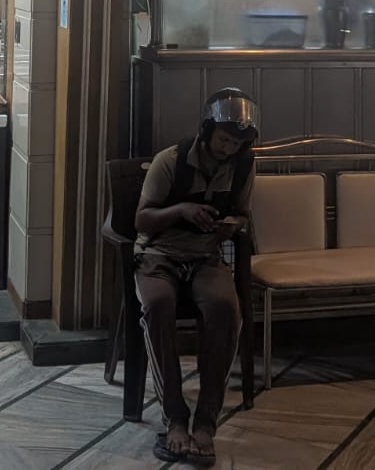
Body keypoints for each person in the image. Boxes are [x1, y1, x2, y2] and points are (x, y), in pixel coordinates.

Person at [134, 88, 260, 466]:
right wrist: (182, 211)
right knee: (158, 305)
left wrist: (229, 226)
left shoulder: (242, 165)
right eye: (223, 140)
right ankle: (175, 417)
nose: (228, 149)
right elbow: (142, 219)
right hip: (159, 254)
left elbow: (242, 213)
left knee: (225, 309)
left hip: (206, 256)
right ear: (206, 131)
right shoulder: (170, 161)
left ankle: (206, 422)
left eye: (236, 144)